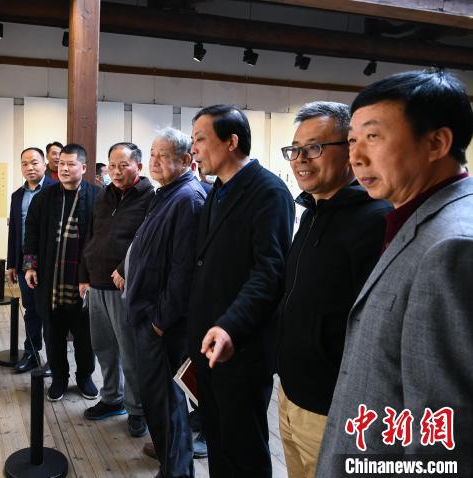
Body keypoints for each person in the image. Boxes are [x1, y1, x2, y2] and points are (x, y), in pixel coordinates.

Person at [316, 69, 473, 476]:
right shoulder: (412, 216)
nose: (355, 156)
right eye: (352, 140)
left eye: (373, 136)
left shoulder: (452, 247)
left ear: (437, 143)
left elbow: (444, 436)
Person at [274, 102, 391, 478]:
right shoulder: (312, 212)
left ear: (351, 151)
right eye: (295, 149)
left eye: (314, 148)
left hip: (333, 410)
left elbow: (378, 332)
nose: (300, 159)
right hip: (290, 395)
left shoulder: (376, 220)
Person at [187, 104, 294, 477]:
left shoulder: (269, 192)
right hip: (208, 341)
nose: (194, 149)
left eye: (200, 139)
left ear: (231, 141)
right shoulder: (216, 189)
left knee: (244, 448)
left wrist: (231, 325)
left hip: (241, 344)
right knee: (217, 439)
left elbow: (269, 271)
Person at [126, 128, 206, 478]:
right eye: (152, 154)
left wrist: (159, 322)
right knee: (158, 403)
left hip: (163, 325)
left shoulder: (188, 199)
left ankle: (176, 471)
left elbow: (183, 272)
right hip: (149, 317)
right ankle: (170, 462)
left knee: (168, 406)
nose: (154, 161)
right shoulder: (167, 194)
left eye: (163, 155)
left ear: (186, 160)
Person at [79, 143, 154, 437]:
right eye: (112, 166)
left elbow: (145, 241)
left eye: (123, 165)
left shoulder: (150, 197)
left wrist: (124, 268)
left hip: (124, 287)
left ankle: (137, 409)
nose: (117, 171)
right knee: (103, 347)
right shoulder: (103, 195)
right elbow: (91, 236)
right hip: (96, 283)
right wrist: (84, 276)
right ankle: (112, 398)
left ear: (139, 166)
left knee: (129, 353)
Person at [23, 143, 101, 401]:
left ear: (84, 168)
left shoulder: (97, 197)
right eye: (61, 164)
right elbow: (31, 232)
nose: (64, 169)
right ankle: (59, 379)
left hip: (84, 280)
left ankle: (85, 377)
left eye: (71, 164)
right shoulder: (44, 197)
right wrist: (30, 265)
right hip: (51, 280)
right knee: (53, 333)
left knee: (85, 335)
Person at [6, 148, 58, 373]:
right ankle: (32, 353)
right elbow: (14, 231)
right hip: (25, 264)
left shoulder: (56, 190)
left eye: (34, 162)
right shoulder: (17, 195)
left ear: (45, 164)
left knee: (50, 312)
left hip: (50, 264)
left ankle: (54, 358)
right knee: (30, 309)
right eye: (25, 164)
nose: (30, 167)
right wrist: (12, 263)